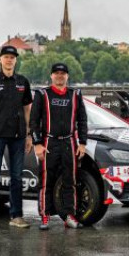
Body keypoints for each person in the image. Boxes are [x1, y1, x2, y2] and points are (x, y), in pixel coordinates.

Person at [0, 45, 33, 230]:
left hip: (18, 137)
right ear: (0, 60)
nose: (9, 60)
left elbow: (28, 110)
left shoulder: (23, 82)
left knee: (16, 177)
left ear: (16, 60)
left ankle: (16, 216)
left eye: (12, 57)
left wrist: (29, 135)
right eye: (6, 57)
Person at [30, 63, 88, 230]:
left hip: (69, 142)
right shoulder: (42, 94)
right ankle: (45, 216)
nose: (60, 76)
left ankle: (69, 216)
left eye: (63, 73)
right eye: (56, 73)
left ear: (67, 76)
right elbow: (33, 121)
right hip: (49, 142)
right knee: (46, 181)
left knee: (70, 181)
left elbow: (82, 120)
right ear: (51, 76)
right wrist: (37, 144)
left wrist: (82, 143)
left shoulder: (75, 94)